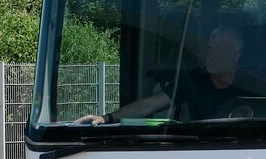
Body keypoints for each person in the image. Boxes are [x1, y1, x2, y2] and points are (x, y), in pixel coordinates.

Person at [76, 27, 253, 124]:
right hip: (196, 150)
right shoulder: (192, 81)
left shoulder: (255, 85)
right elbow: (147, 105)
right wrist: (106, 118)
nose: (211, 54)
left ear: (237, 55)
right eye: (210, 48)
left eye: (221, 49)